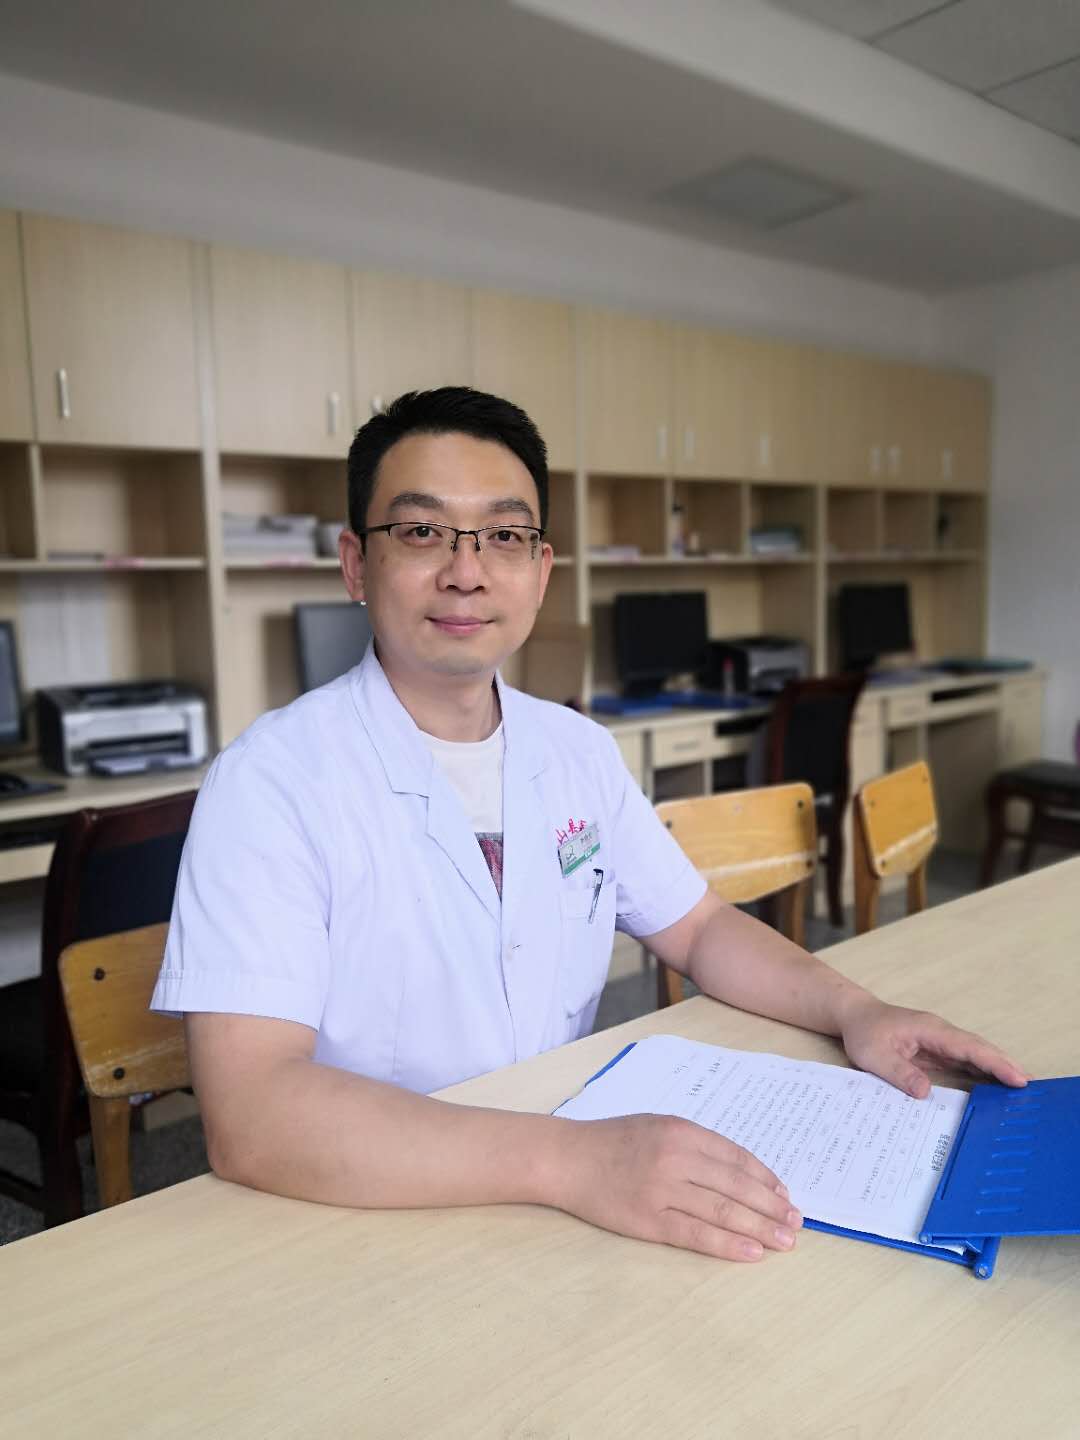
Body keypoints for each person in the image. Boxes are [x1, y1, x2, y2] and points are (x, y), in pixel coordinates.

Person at [153, 387, 1027, 1265]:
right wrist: (571, 1161)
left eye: (504, 536)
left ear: (541, 570)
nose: (467, 571)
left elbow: (698, 927)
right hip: (365, 1216)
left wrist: (856, 1010)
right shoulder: (270, 783)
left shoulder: (575, 749)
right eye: (422, 532)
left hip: (565, 1200)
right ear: (355, 564)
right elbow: (251, 1112)